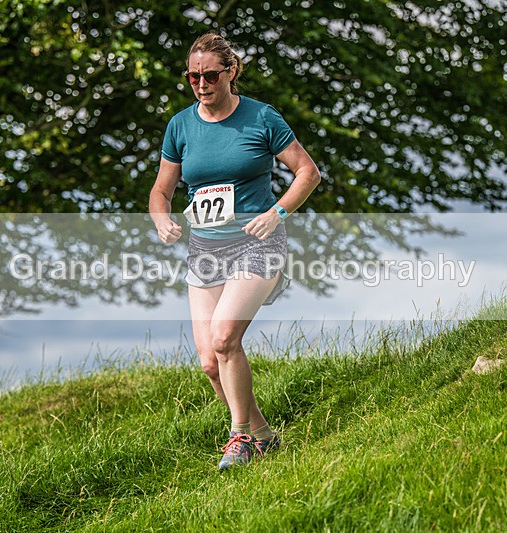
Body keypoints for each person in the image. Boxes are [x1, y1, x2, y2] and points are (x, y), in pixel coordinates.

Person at [149, 33, 321, 470]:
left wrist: (276, 213)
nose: (201, 84)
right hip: (205, 250)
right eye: (193, 77)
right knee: (210, 361)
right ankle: (263, 436)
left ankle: (238, 437)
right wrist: (162, 219)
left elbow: (308, 172)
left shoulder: (261, 117)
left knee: (226, 337)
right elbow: (161, 191)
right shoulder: (180, 126)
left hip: (257, 244)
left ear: (231, 72)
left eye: (210, 75)